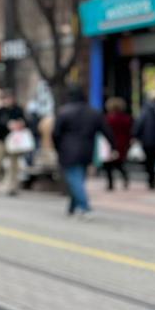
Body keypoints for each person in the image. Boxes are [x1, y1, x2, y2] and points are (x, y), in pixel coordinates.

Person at [54, 85, 113, 219]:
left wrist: (58, 148)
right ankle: (72, 207)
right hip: (87, 150)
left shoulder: (64, 112)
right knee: (78, 178)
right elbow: (106, 131)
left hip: (68, 150)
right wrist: (113, 146)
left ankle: (84, 206)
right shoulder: (93, 113)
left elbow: (56, 134)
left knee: (74, 179)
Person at [0, 90, 27, 194]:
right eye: (6, 98)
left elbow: (26, 122)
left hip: (14, 141)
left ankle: (13, 187)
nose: (8, 101)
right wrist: (7, 124)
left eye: (10, 98)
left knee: (14, 165)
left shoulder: (18, 110)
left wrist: (20, 124)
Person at [103, 96, 133, 191]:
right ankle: (125, 177)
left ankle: (110, 184)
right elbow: (130, 132)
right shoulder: (127, 118)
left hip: (110, 143)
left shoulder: (107, 118)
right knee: (119, 163)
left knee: (108, 165)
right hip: (123, 144)